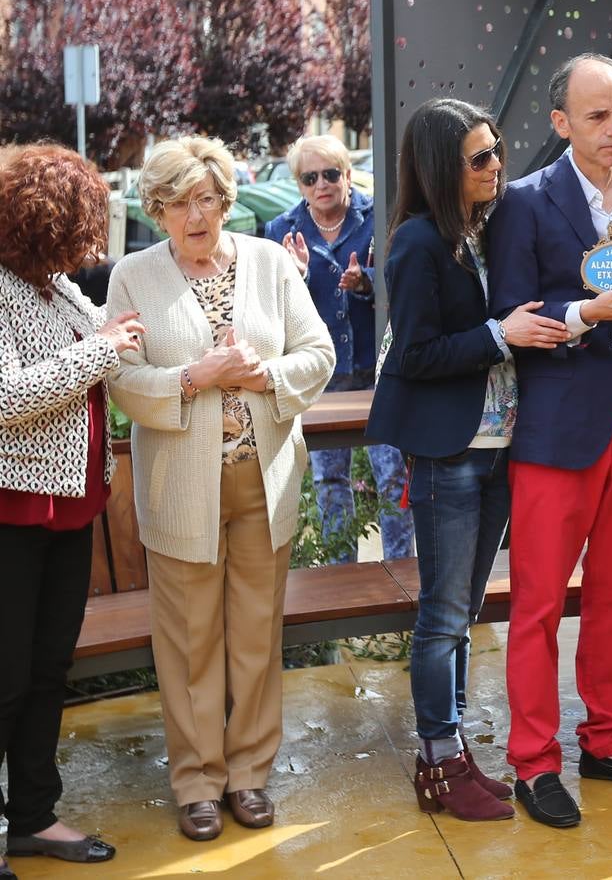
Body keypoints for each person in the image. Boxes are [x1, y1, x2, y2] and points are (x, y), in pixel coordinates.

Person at [106, 137, 335, 842]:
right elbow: (121, 381)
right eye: (178, 203)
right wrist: (192, 377)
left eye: (207, 199)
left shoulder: (269, 263)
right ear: (157, 210)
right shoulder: (133, 276)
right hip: (181, 488)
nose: (195, 216)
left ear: (226, 201)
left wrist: (263, 374)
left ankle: (249, 775)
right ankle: (198, 782)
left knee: (257, 634)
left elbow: (318, 354)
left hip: (263, 481)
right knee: (189, 640)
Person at [487, 52, 612, 828]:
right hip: (555, 426)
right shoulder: (524, 202)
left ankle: (606, 740)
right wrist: (584, 314)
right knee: (536, 603)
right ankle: (534, 762)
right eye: (598, 115)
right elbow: (511, 311)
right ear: (561, 122)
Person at [366, 99, 570, 821]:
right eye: (479, 158)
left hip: (498, 450)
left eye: (497, 152)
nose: (496, 168)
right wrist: (500, 334)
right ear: (440, 168)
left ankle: (452, 752)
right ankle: (438, 762)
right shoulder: (418, 243)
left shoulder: (480, 233)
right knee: (444, 614)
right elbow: (416, 354)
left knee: (465, 610)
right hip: (450, 453)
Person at [0, 145, 137, 876]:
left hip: (70, 507)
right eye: (79, 228)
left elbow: (108, 339)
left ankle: (33, 817)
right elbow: (5, 398)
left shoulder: (57, 289)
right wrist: (101, 351)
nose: (87, 246)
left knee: (49, 669)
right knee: (5, 678)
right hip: (12, 510)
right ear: (41, 223)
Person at [265, 135, 413, 564]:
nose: (321, 185)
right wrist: (296, 277)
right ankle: (338, 572)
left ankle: (400, 569)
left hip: (375, 369)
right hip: (322, 375)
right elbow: (273, 306)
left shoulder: (379, 217)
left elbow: (402, 280)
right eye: (309, 178)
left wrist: (366, 281)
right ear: (299, 184)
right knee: (329, 481)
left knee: (392, 477)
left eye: (330, 174)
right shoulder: (281, 231)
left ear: (347, 175)